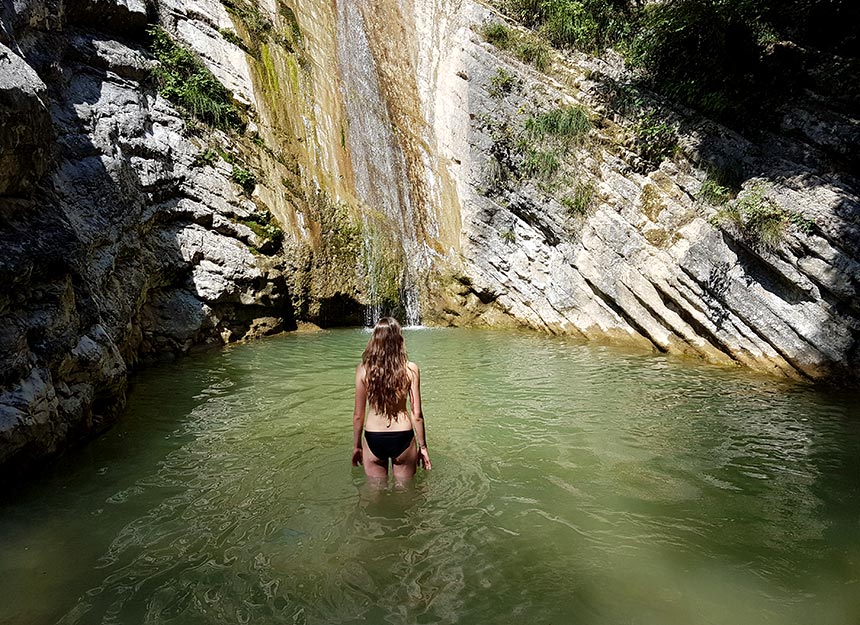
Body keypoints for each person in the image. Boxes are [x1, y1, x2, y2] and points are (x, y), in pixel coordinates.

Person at [352, 317, 431, 481]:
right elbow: (417, 414)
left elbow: (358, 415)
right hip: (403, 435)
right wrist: (423, 447)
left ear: (374, 339)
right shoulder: (410, 369)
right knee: (406, 496)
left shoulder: (363, 369)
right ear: (399, 339)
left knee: (374, 495)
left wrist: (357, 446)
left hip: (374, 435)